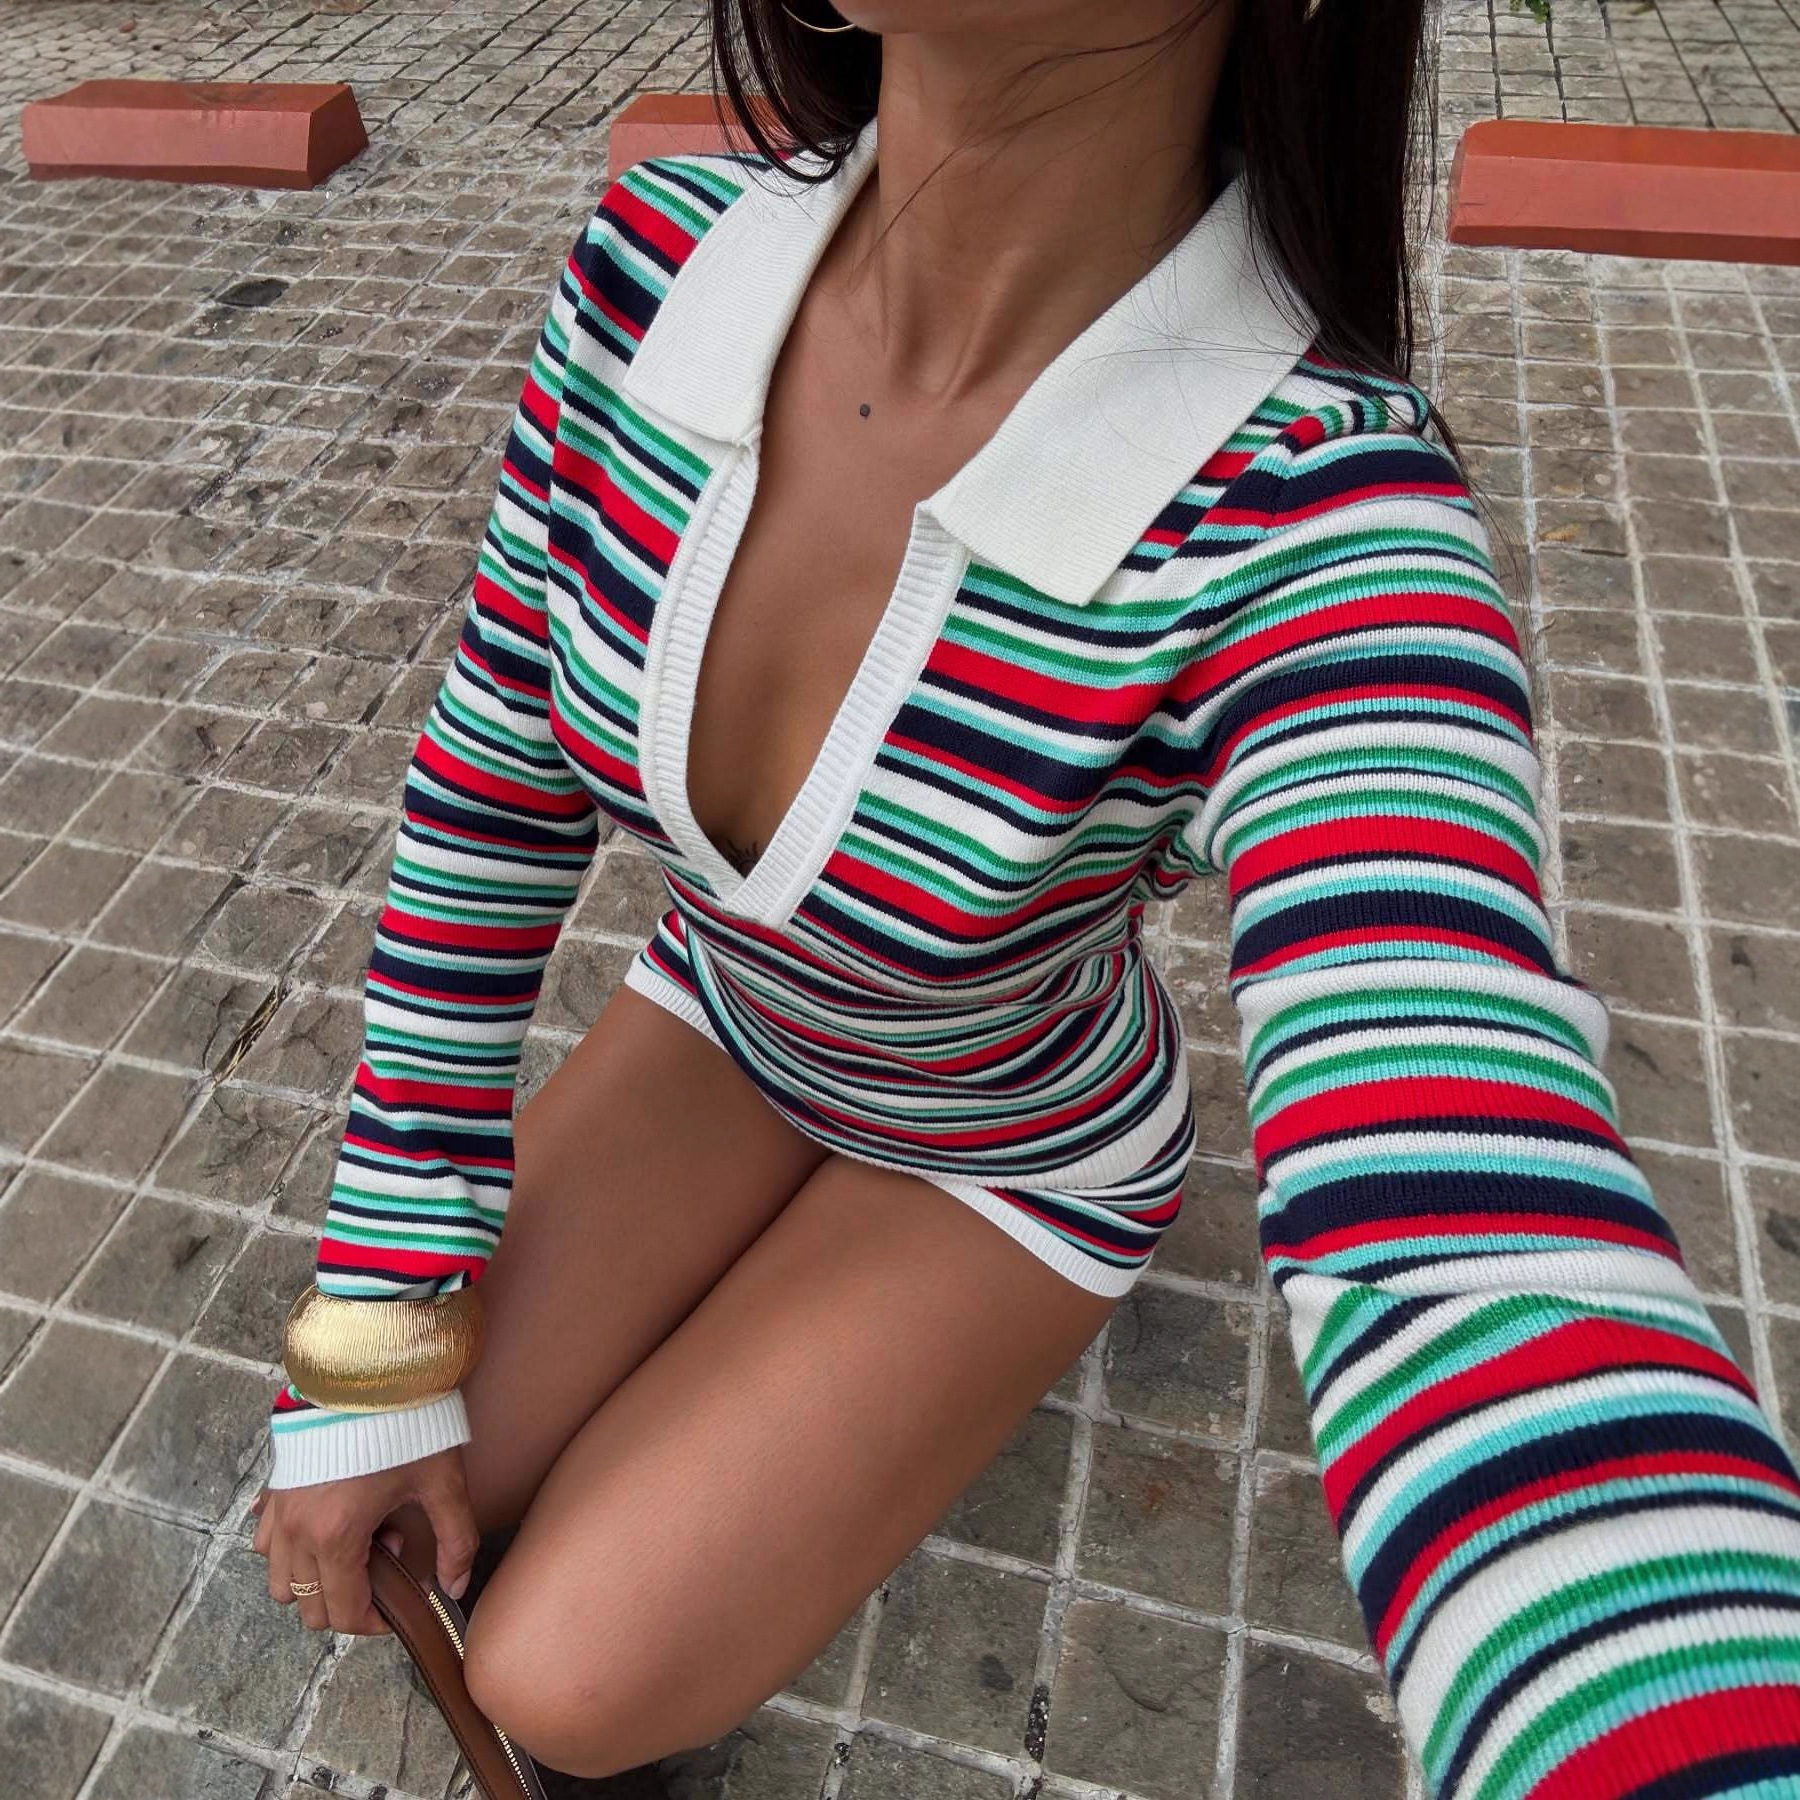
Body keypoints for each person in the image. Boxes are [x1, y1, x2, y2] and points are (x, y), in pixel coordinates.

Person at [251, 0, 1800, 1790]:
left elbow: (1471, 1216)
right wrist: (377, 1313)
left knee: (561, 1680)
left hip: (1010, 1141)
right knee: (375, 1470)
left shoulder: (1322, 518)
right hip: (725, 1013)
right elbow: (486, 798)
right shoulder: (651, 266)